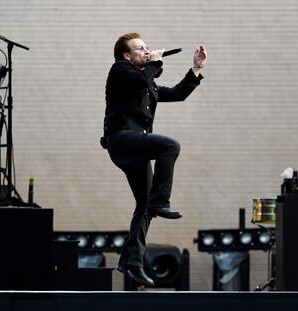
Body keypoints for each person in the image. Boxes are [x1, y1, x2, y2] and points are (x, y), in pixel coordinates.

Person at [100, 32, 207, 286]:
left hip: (136, 147)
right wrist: (156, 62)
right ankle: (161, 201)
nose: (146, 50)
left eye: (147, 47)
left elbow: (178, 93)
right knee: (169, 146)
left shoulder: (145, 80)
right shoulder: (120, 71)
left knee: (143, 204)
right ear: (127, 55)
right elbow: (139, 80)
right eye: (140, 49)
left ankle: (132, 262)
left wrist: (195, 69)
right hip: (121, 140)